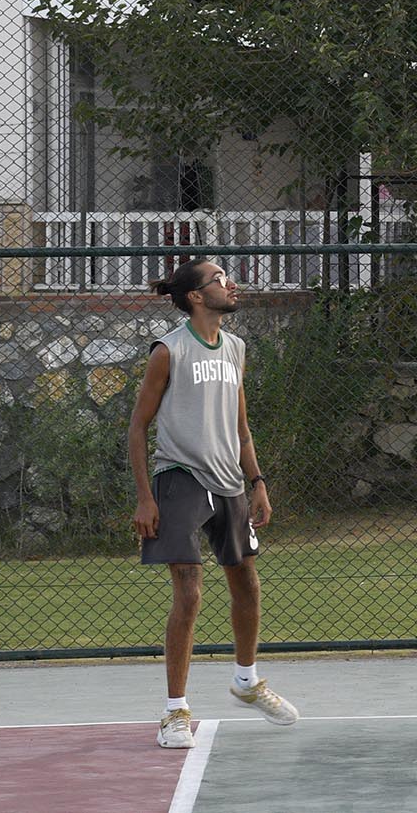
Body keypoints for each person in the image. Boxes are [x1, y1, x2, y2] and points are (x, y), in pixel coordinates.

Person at [128, 259, 300, 750]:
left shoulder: (235, 348)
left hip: (230, 481)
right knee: (189, 590)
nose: (231, 284)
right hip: (179, 475)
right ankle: (174, 711)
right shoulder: (169, 350)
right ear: (198, 297)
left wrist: (258, 481)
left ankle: (246, 682)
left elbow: (241, 427)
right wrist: (145, 496)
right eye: (220, 279)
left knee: (246, 579)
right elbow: (138, 426)